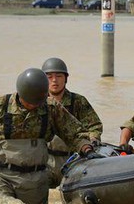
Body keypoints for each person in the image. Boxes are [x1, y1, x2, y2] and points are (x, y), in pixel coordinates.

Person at [0, 68, 99, 204]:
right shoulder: (0, 106)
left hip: (35, 181)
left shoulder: (51, 107)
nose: (34, 106)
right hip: (1, 175)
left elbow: (74, 133)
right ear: (21, 94)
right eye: (30, 103)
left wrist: (87, 150)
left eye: (38, 103)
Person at [41, 57, 103, 189]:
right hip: (46, 160)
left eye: (58, 76)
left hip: (73, 159)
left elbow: (94, 126)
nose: (54, 80)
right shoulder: (37, 103)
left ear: (66, 78)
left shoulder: (78, 101)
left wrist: (92, 140)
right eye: (49, 76)